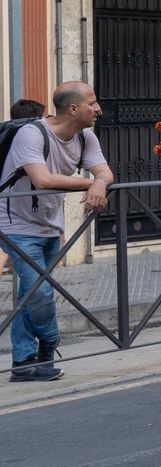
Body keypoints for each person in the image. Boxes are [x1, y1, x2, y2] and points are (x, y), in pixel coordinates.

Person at [1, 82, 114, 381]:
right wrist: (90, 183)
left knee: (29, 294)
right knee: (39, 292)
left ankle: (24, 364)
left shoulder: (85, 137)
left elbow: (104, 171)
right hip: (16, 225)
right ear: (73, 109)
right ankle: (49, 343)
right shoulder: (32, 134)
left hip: (51, 225)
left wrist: (100, 182)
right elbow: (42, 179)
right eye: (92, 102)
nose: (98, 108)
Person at [0, 100, 45, 280]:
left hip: (8, 202)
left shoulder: (4, 132)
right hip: (13, 207)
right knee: (3, 253)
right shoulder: (29, 137)